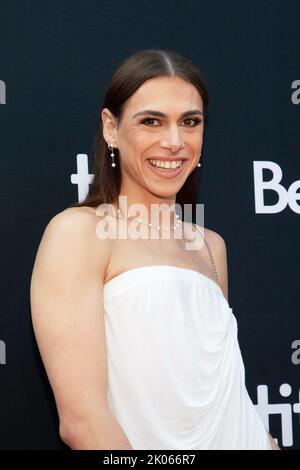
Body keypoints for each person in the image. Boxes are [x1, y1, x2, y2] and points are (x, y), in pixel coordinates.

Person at [30, 49, 280, 450]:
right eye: (151, 121)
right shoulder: (79, 233)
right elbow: (83, 421)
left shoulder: (210, 246)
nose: (174, 142)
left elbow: (230, 401)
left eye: (190, 122)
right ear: (111, 129)